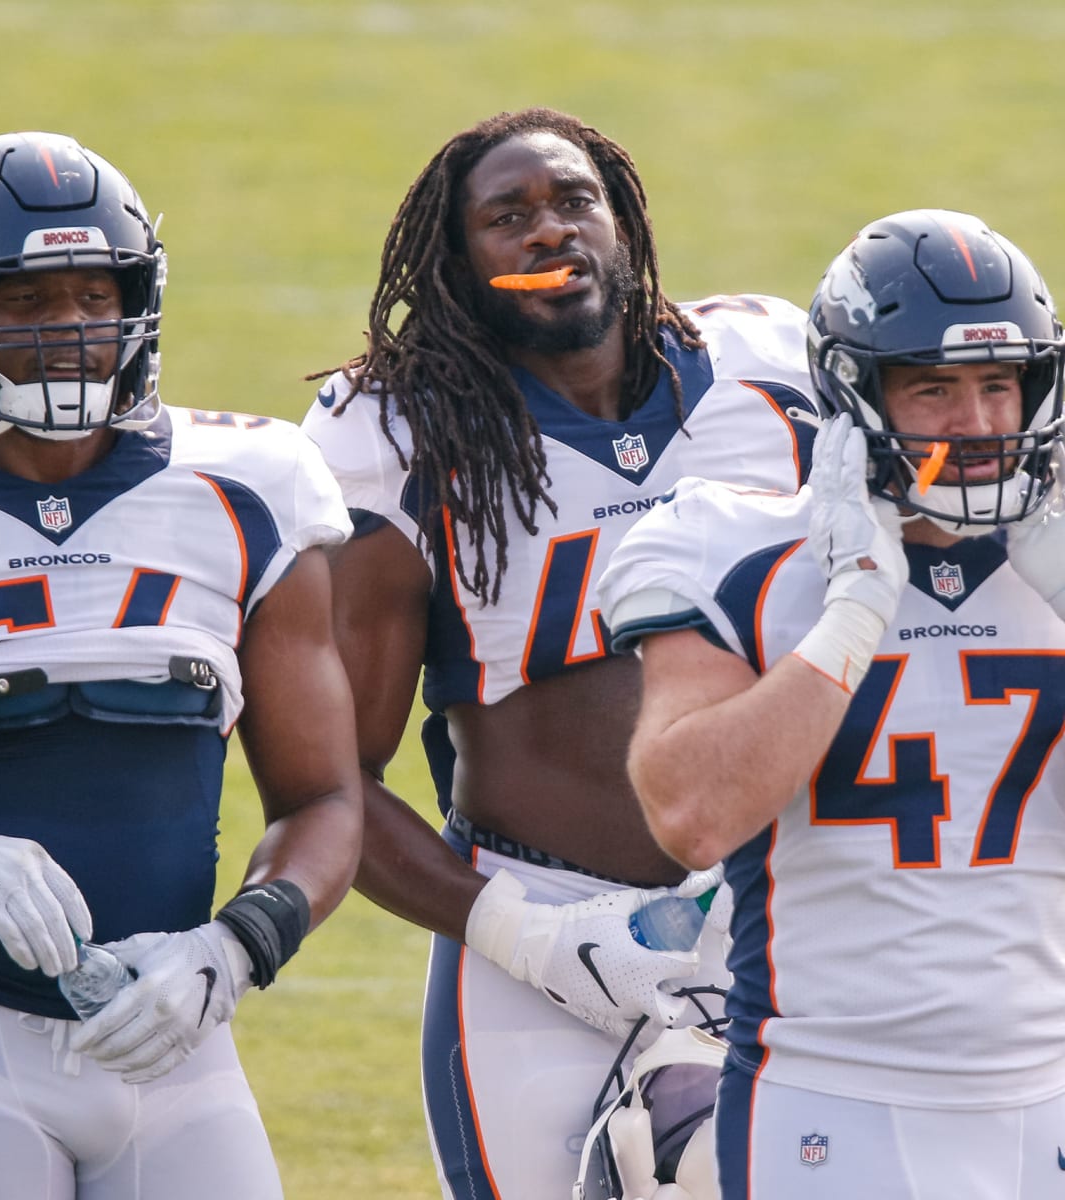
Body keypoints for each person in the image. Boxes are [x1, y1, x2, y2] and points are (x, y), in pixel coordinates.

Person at [300, 107, 816, 1200]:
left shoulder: (772, 372)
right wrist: (524, 937)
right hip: (545, 936)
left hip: (788, 908)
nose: (550, 232)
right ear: (456, 263)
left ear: (623, 221)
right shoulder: (397, 437)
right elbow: (331, 780)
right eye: (509, 216)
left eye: (576, 202)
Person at [0, 131, 362, 1200]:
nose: (70, 333)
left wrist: (235, 947)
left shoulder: (250, 484)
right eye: (26, 303)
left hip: (172, 1035)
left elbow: (325, 799)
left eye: (94, 296)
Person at [598, 208, 1065, 1199]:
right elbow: (692, 815)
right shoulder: (738, 554)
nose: (979, 426)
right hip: (836, 1101)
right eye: (934, 389)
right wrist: (854, 612)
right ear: (854, 394)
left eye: (999, 385)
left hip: (1049, 1097)